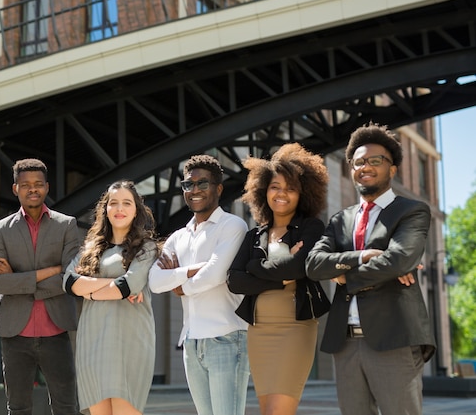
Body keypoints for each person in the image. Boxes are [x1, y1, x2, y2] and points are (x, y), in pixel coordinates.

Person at [305, 123, 436, 415]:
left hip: (394, 339)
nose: (365, 167)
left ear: (392, 169)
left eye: (375, 161)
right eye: (358, 162)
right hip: (346, 341)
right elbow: (313, 264)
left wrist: (341, 273)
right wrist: (363, 257)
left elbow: (399, 260)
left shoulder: (412, 211)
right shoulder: (340, 220)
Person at [227, 143, 329, 415]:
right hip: (259, 331)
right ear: (264, 190)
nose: (281, 193)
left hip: (295, 328)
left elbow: (298, 267)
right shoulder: (253, 235)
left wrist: (256, 266)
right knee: (266, 410)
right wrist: (277, 276)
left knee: (278, 411)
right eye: (275, 186)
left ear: (302, 194)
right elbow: (235, 281)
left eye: (290, 188)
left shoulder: (311, 227)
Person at [149, 154, 250, 415]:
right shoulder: (177, 237)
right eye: (188, 185)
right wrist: (194, 270)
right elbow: (155, 280)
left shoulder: (233, 226)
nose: (194, 190)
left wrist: (181, 284)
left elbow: (216, 275)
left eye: (202, 184)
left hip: (226, 337)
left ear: (218, 189)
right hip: (191, 341)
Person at [0, 158, 80, 415]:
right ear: (15, 188)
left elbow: (70, 278)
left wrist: (17, 278)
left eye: (38, 184)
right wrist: (50, 271)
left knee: (66, 406)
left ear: (47, 187)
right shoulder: (0, 230)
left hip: (57, 329)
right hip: (15, 334)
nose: (33, 189)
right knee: (17, 408)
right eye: (26, 184)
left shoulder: (67, 225)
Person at [62, 180, 159, 415]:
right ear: (105, 209)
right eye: (113, 203)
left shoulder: (146, 248)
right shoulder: (90, 248)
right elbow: (68, 282)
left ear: (136, 210)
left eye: (126, 203)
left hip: (130, 341)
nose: (119, 208)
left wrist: (92, 291)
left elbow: (128, 286)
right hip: (92, 340)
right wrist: (110, 286)